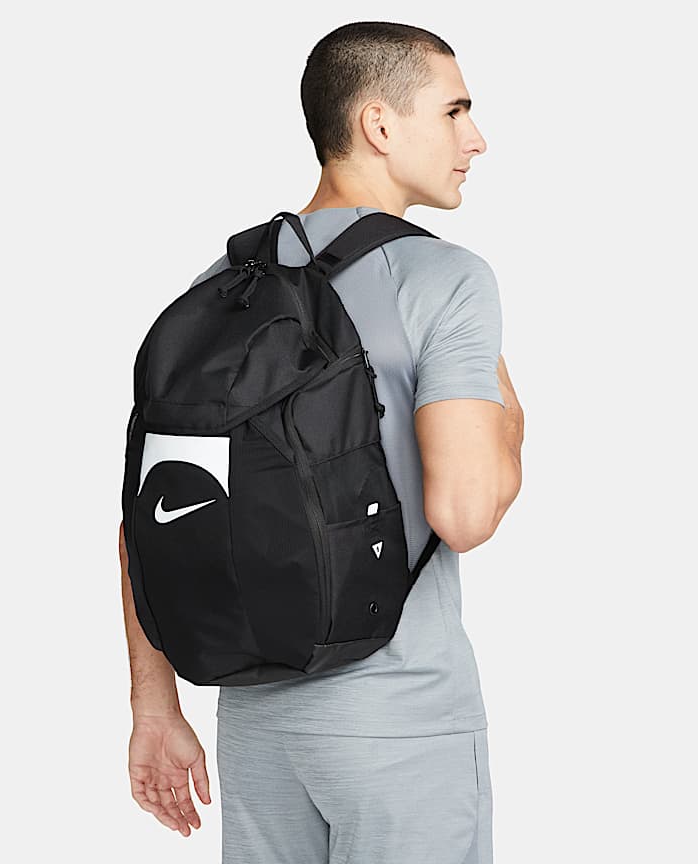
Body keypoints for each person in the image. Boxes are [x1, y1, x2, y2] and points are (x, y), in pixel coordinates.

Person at [118, 20, 524, 863]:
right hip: (402, 725)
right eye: (454, 111)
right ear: (380, 124)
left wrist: (155, 708)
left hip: (256, 729)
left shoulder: (220, 287)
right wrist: (511, 420)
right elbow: (466, 514)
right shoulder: (446, 278)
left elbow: (151, 517)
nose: (475, 139)